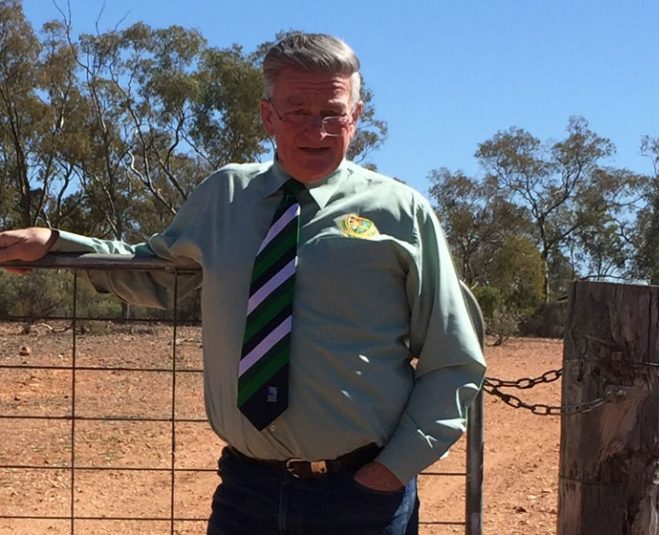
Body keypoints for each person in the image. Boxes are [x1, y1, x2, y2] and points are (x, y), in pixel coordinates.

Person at [0, 33, 485, 534]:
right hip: (245, 492)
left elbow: (452, 360)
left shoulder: (401, 212)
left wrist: (389, 472)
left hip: (360, 498)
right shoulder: (223, 196)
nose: (317, 130)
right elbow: (155, 272)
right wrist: (57, 244)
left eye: (333, 112)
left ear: (356, 115)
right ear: (267, 115)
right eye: (297, 110)